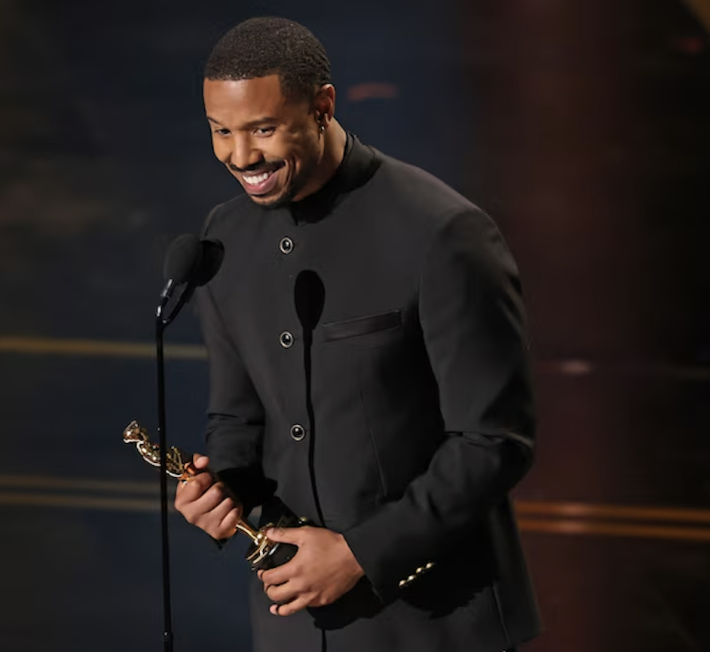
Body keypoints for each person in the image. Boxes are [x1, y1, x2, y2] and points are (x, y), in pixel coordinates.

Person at [173, 16, 542, 652]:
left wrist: (361, 553)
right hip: (293, 627)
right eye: (221, 131)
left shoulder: (442, 234)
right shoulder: (225, 237)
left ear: (323, 107)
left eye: (262, 129)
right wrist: (224, 489)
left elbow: (494, 441)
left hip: (434, 628)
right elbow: (238, 416)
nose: (240, 156)